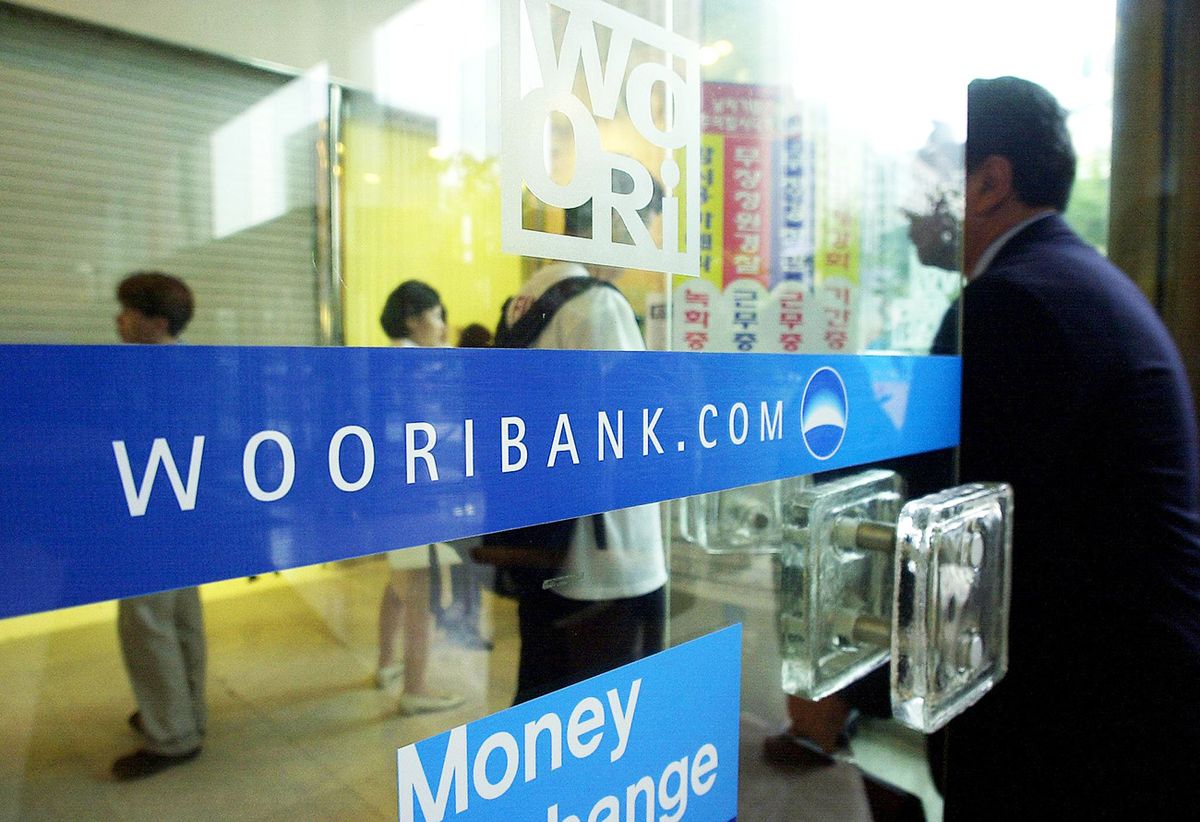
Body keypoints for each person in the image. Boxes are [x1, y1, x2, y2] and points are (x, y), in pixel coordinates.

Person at [929, 76, 1200, 819]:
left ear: (989, 182)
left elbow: (950, 528)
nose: (905, 202)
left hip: (1082, 739)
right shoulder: (1073, 279)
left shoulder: (1014, 303)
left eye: (926, 173)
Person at [499, 175, 668, 704]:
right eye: (641, 228)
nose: (641, 248)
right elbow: (639, 427)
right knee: (608, 710)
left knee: (543, 689)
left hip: (542, 539)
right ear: (610, 224)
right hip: (608, 552)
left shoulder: (526, 299)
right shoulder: (598, 305)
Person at [111, 271, 207, 780]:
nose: (119, 320)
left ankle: (171, 734)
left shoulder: (143, 373)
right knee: (181, 616)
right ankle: (185, 713)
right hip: (186, 511)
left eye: (129, 310)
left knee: (147, 621)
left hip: (153, 510)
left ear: (156, 321)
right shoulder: (191, 364)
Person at [375, 280, 465, 716]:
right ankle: (416, 687)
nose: (443, 325)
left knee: (399, 582)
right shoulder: (423, 364)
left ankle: (386, 664)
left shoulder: (384, 361)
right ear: (414, 320)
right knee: (422, 589)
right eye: (436, 315)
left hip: (393, 491)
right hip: (422, 493)